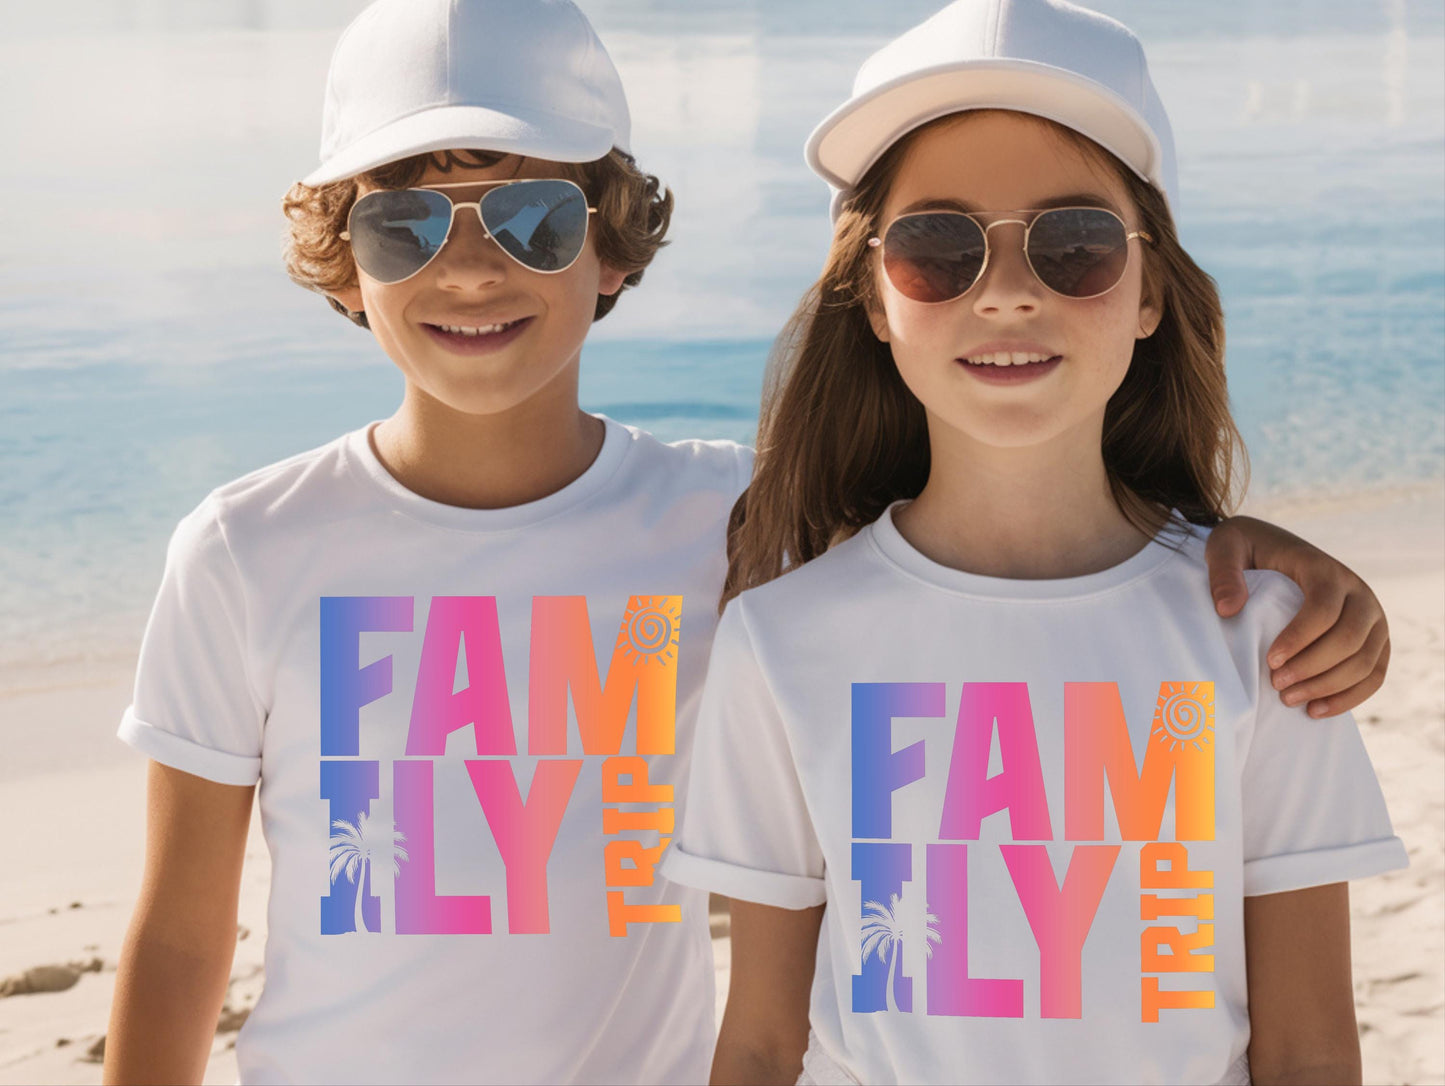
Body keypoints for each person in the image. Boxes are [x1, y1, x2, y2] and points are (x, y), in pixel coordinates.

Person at [103, 0, 1392, 1082]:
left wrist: (1250, 550)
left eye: (538, 222)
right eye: (403, 227)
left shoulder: (728, 522)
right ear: (342, 265)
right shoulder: (244, 548)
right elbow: (178, 937)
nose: (474, 269)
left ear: (610, 248)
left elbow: (997, 524)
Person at [663, 2, 1409, 1084]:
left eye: (1073, 246)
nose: (1007, 291)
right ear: (872, 298)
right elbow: (766, 1041)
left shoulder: (1262, 636)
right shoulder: (780, 640)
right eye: (935, 248)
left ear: (1149, 289)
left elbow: (1304, 1051)